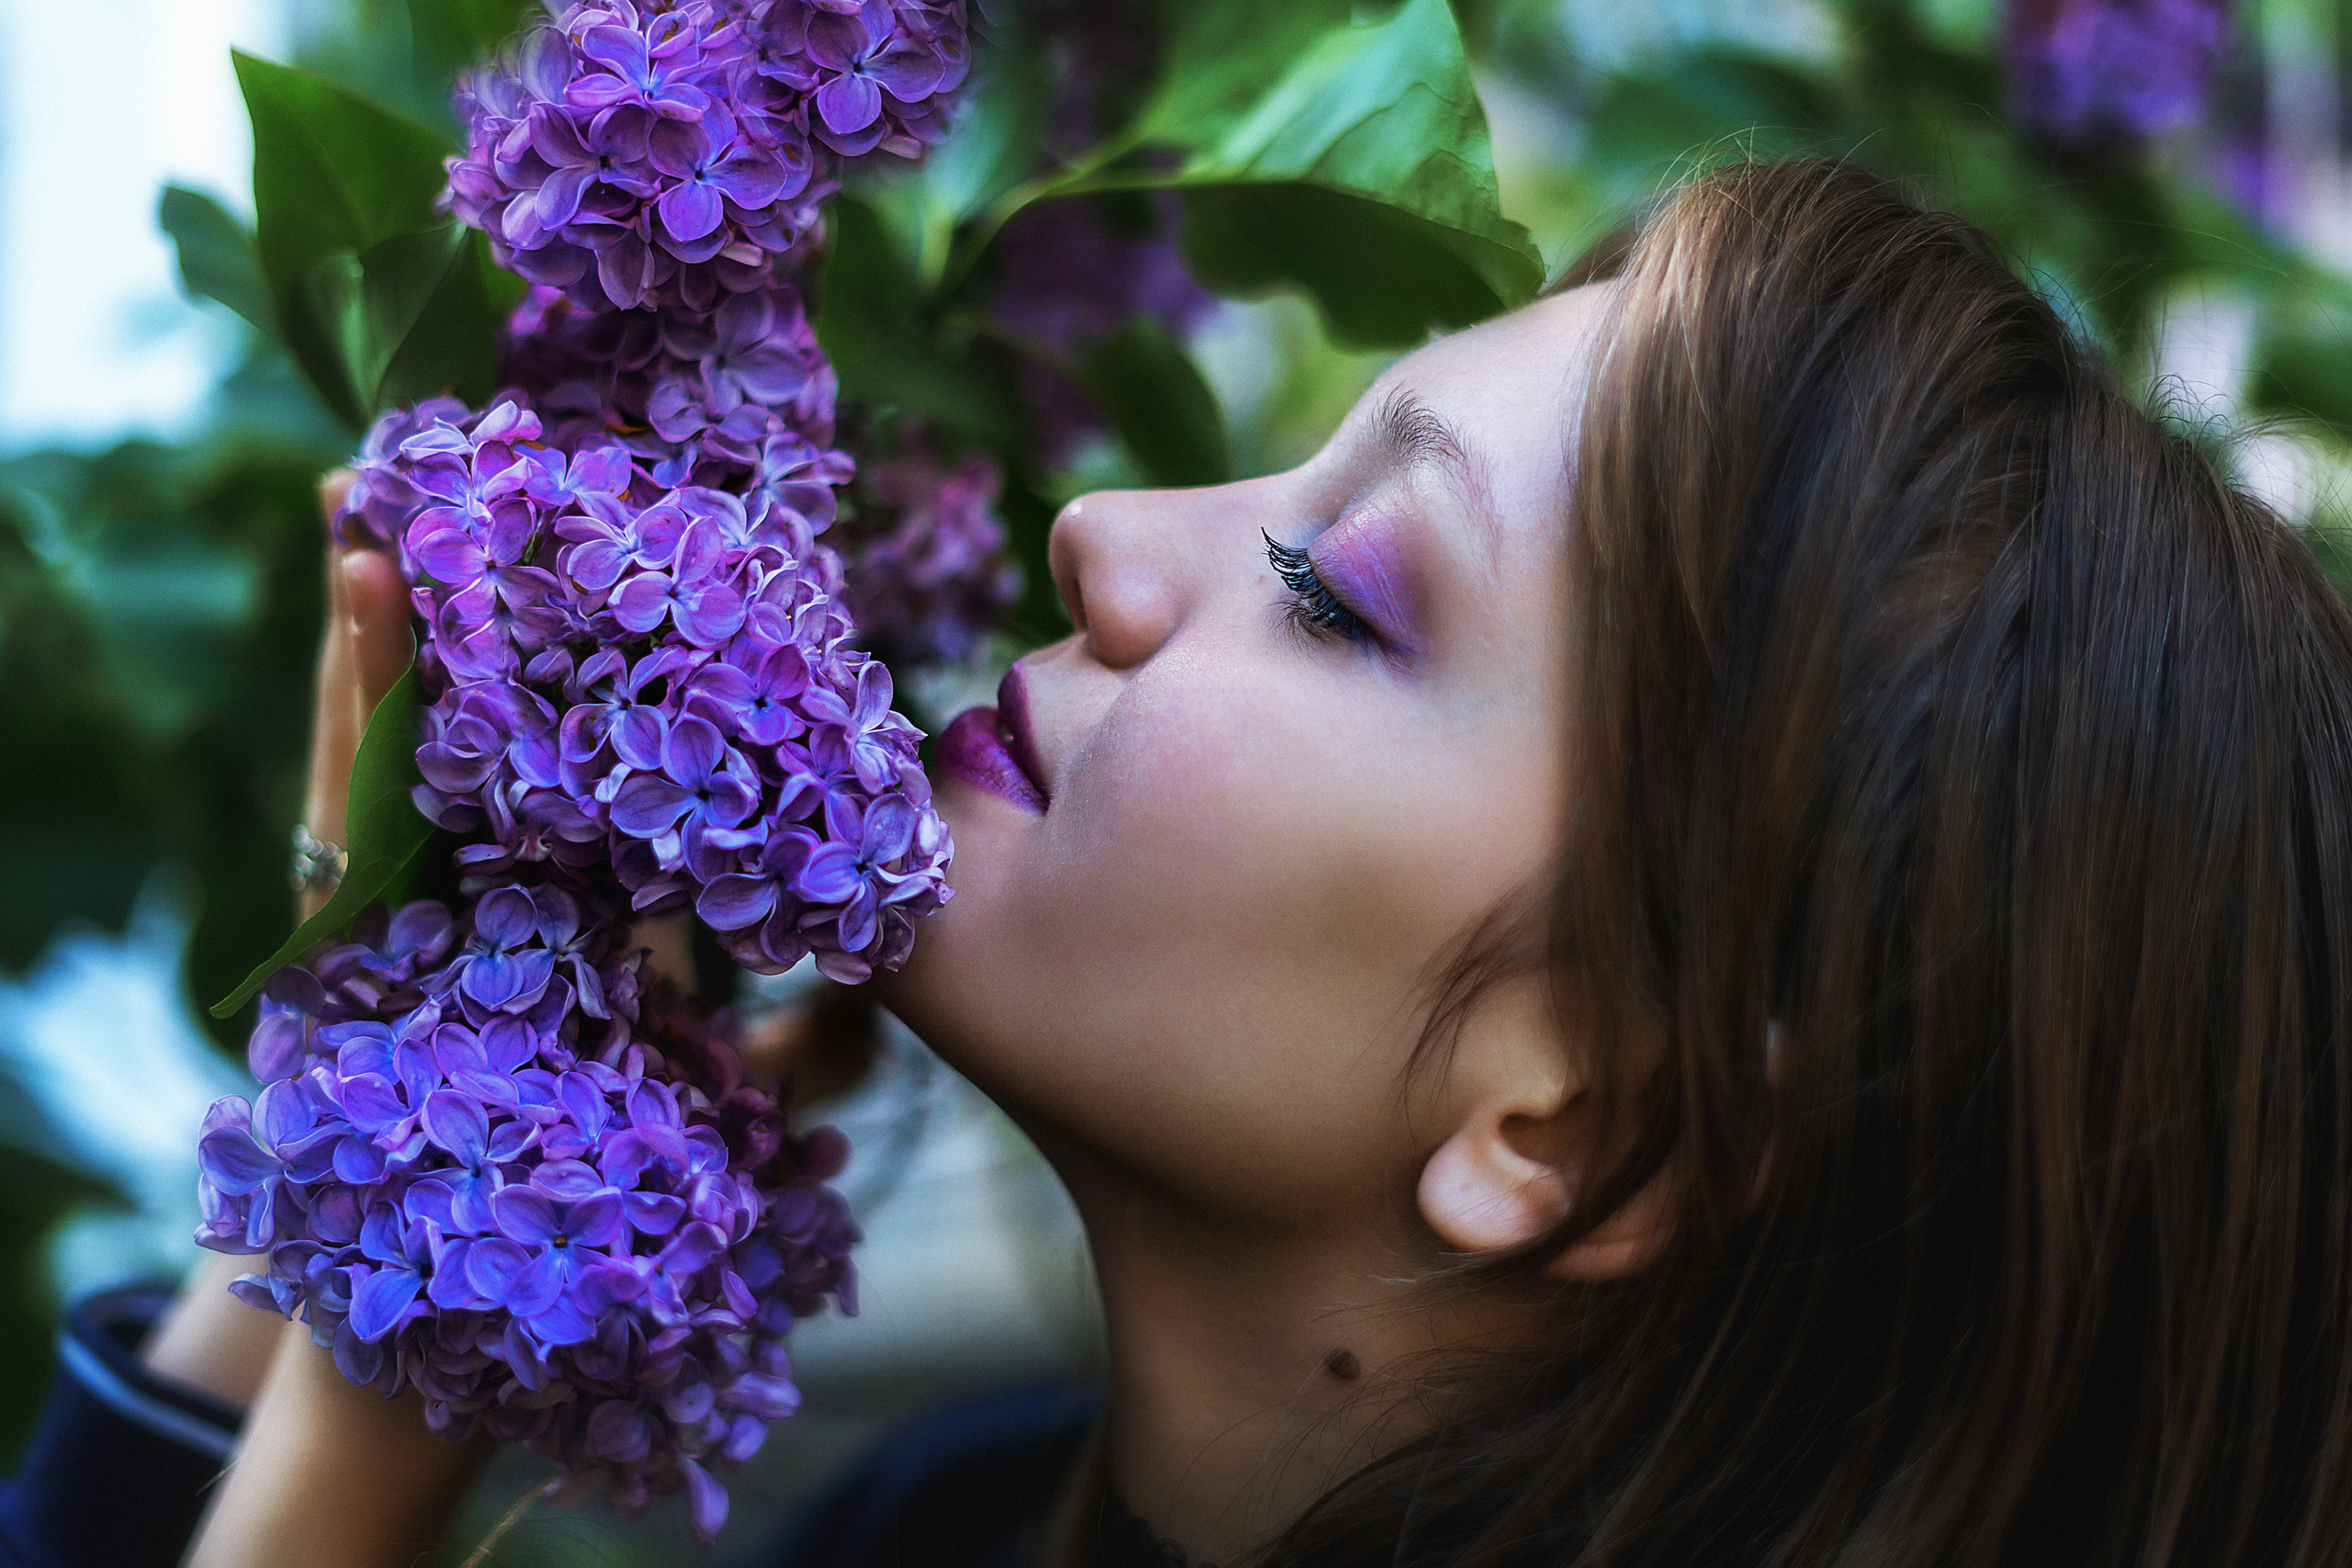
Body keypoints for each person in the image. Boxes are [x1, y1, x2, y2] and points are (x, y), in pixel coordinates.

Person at [10, 154, 2352, 1568]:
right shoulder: (953, 1516)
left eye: (1338, 588)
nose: (1107, 533)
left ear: (1579, 1114)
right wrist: (405, 1071)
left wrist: (423, 1300)